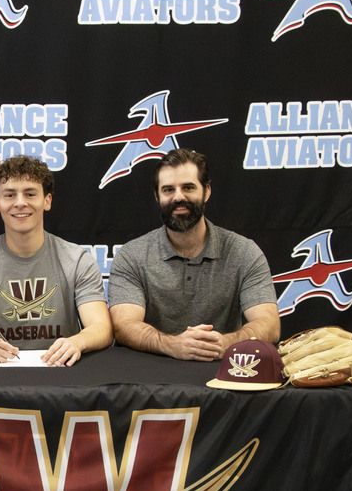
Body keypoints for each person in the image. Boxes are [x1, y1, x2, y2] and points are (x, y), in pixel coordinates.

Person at [107, 148, 279, 362]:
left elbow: (270, 325)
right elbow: (123, 325)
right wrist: (172, 345)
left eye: (188, 187)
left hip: (224, 372)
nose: (178, 197)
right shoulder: (132, 255)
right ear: (157, 196)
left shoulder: (244, 252)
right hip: (149, 375)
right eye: (168, 189)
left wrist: (225, 344)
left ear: (206, 191)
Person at [0, 155, 112, 366]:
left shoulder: (77, 261)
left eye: (30, 194)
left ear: (47, 200)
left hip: (61, 371)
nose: (20, 203)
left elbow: (101, 328)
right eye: (9, 195)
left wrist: (78, 342)